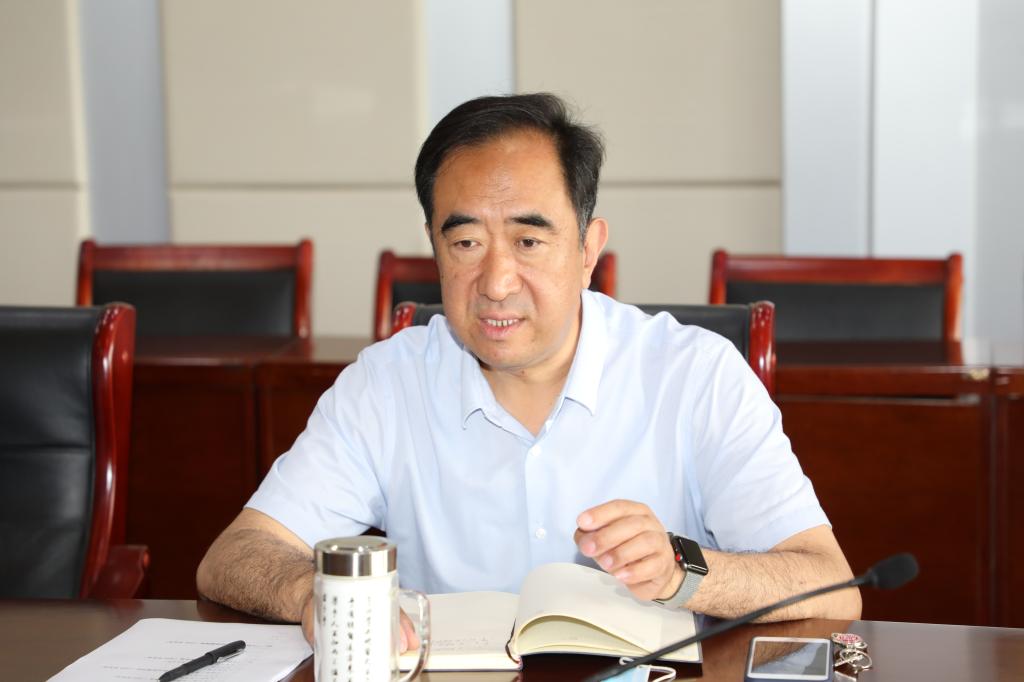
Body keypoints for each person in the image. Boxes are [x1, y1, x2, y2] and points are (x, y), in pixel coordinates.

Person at [197, 93, 861, 648]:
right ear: (433, 248)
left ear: (588, 248)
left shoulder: (695, 375)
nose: (496, 282)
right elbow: (234, 556)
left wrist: (684, 571)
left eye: (528, 240)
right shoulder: (386, 383)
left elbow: (831, 585)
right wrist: (313, 594)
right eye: (465, 242)